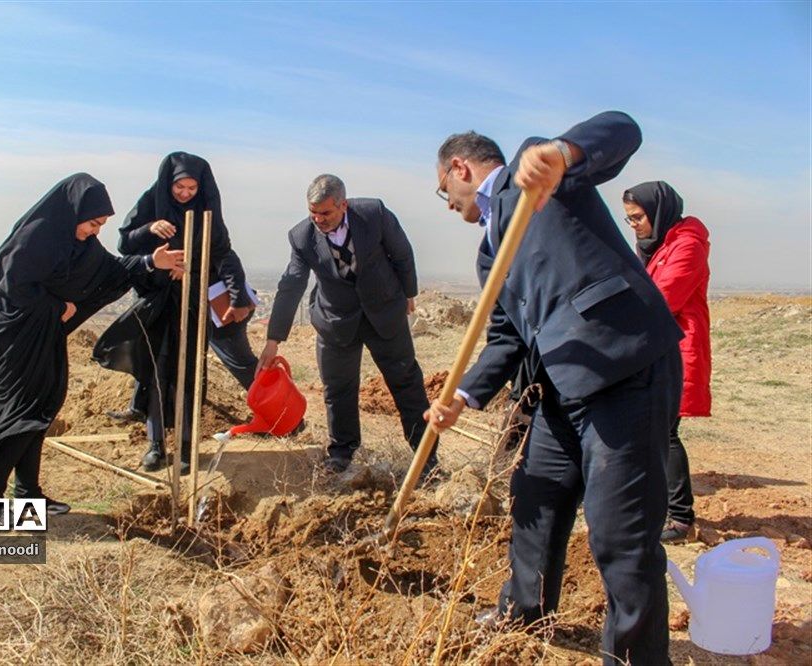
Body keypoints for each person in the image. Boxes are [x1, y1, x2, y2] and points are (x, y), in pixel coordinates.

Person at [426, 112, 684, 665]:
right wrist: (463, 397)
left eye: (444, 191)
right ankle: (525, 612)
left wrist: (562, 154)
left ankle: (635, 658)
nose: (448, 205)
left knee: (619, 535)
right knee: (535, 499)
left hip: (622, 368)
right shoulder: (490, 252)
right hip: (561, 388)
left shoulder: (537, 173)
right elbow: (505, 337)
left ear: (459, 168)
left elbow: (622, 129)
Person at [0, 173, 183, 514]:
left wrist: (150, 262)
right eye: (93, 224)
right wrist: (57, 307)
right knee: (22, 414)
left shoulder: (79, 243)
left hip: (45, 337)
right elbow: (13, 288)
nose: (95, 232)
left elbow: (111, 270)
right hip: (13, 344)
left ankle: (27, 493)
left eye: (101, 226)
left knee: (42, 408)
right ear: (74, 212)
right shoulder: (36, 237)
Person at [258, 174, 439, 477]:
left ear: (343, 204)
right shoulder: (301, 237)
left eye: (325, 213)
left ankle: (427, 458)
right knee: (338, 389)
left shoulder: (373, 214)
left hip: (383, 312)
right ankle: (341, 453)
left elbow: (402, 252)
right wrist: (273, 339)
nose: (319, 220)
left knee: (406, 383)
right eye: (313, 213)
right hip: (335, 320)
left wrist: (409, 293)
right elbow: (292, 284)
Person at [104, 152, 258, 474]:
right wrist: (150, 229)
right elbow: (125, 243)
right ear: (168, 184)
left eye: (192, 188)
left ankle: (187, 447)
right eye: (179, 188)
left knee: (188, 372)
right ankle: (156, 445)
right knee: (157, 371)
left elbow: (223, 253)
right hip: (158, 300)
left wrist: (233, 292)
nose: (185, 194)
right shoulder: (152, 202)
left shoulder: (207, 211)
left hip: (191, 301)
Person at [623, 181, 711, 542]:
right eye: (629, 220)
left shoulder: (687, 245)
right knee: (651, 429)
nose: (634, 226)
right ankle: (653, 506)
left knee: (665, 431)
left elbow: (663, 297)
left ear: (658, 212)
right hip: (656, 347)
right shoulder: (659, 245)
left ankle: (680, 518)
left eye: (638, 217)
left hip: (677, 349)